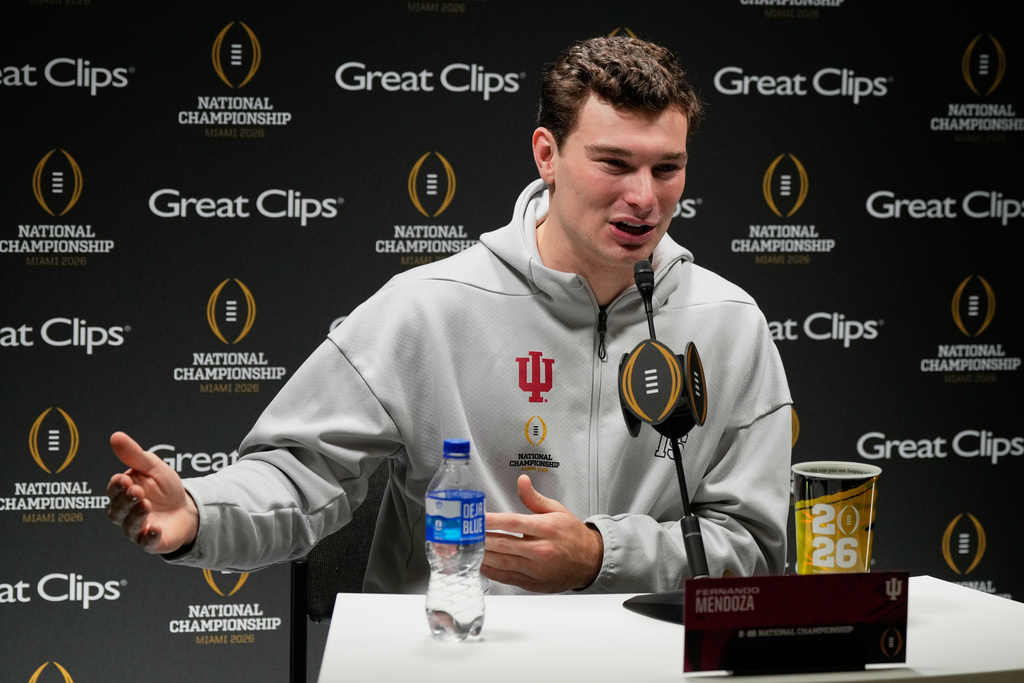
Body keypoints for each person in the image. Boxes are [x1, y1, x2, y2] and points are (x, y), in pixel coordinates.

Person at [107, 36, 792, 595]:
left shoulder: (729, 322)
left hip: (651, 660)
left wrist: (600, 555)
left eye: (667, 169)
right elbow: (298, 473)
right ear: (547, 155)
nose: (644, 196)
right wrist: (199, 512)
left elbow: (754, 547)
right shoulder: (427, 306)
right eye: (614, 163)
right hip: (457, 653)